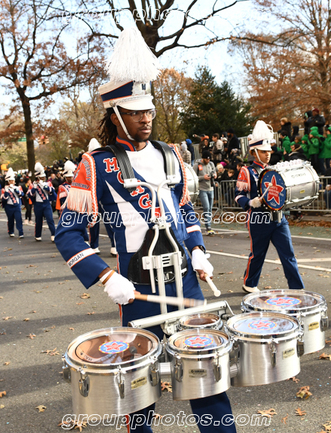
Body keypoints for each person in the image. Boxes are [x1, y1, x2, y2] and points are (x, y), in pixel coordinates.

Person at [54, 27, 234, 433]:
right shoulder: (95, 166)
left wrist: (199, 248)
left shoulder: (172, 155)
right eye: (136, 111)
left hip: (187, 286)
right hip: (137, 293)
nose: (146, 117)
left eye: (148, 109)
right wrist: (104, 276)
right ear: (115, 114)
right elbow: (67, 234)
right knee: (140, 395)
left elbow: (185, 211)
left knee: (208, 385)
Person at [235, 120, 305, 294]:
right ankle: (249, 283)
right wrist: (250, 202)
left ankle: (297, 289)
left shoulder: (273, 170)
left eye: (269, 151)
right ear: (254, 152)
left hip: (279, 219)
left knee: (288, 255)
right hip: (258, 220)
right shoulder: (247, 171)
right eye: (264, 151)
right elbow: (237, 195)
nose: (268, 154)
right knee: (257, 255)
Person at [27, 162, 57, 241]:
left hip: (46, 203)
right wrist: (34, 188)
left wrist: (45, 187)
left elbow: (52, 192)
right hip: (38, 204)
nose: (44, 178)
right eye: (42, 177)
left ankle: (54, 234)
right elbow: (29, 194)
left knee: (50, 219)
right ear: (38, 177)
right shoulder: (33, 185)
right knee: (38, 220)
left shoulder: (48, 183)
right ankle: (38, 235)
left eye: (44, 177)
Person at [195, 150, 217, 235]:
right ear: (203, 158)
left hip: (210, 188)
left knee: (210, 208)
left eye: (209, 159)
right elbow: (194, 177)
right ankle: (208, 227)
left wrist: (214, 175)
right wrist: (202, 177)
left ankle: (209, 224)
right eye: (206, 159)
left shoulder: (211, 164)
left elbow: (214, 172)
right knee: (206, 207)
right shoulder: (197, 165)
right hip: (202, 188)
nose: (208, 161)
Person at [1, 168, 24, 238]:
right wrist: (6, 192)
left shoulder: (18, 187)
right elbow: (3, 199)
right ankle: (11, 231)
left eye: (13, 180)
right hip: (9, 206)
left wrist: (16, 190)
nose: (12, 182)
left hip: (16, 205)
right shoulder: (4, 189)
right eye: (11, 181)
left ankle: (21, 232)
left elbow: (21, 195)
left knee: (18, 219)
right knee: (10, 219)